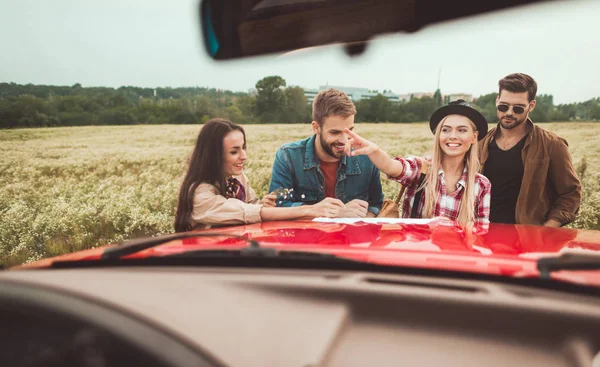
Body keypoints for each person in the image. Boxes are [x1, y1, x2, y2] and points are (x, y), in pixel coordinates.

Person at [174, 118, 344, 232]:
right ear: (213, 155)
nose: (244, 156)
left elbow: (252, 208)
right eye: (234, 152)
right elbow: (247, 212)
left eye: (243, 148)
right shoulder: (199, 193)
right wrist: (310, 210)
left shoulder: (237, 178)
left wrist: (264, 205)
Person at [345, 100, 491, 228]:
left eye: (462, 130)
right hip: (415, 257)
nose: (453, 136)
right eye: (446, 130)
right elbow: (391, 166)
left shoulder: (482, 185)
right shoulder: (421, 169)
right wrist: (374, 151)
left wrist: (452, 229)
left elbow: (480, 233)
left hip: (453, 258)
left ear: (474, 137)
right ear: (438, 135)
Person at [479, 73, 581, 226]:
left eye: (518, 108)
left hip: (526, 239)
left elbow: (570, 193)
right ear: (497, 100)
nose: (509, 113)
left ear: (531, 106)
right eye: (503, 106)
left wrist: (548, 228)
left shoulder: (552, 145)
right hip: (482, 236)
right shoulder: (480, 142)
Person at [268, 88, 384, 217]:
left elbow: (376, 204)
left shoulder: (366, 157)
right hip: (305, 235)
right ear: (316, 127)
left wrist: (359, 224)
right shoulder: (288, 157)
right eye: (335, 132)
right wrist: (333, 213)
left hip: (352, 235)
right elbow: (277, 207)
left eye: (349, 131)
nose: (344, 140)